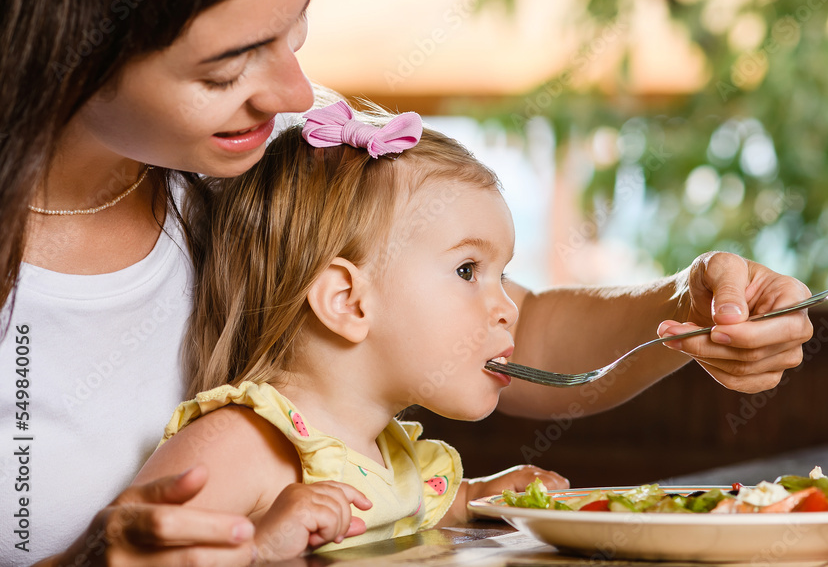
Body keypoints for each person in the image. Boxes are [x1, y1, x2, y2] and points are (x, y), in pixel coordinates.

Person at [0, 0, 812, 565]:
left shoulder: (245, 170)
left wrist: (689, 304)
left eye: (297, 29)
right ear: (69, 42)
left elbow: (511, 332)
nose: (294, 92)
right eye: (227, 68)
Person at [133, 102, 570, 561]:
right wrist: (258, 549)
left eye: (501, 277)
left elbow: (408, 514)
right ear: (347, 300)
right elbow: (132, 555)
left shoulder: (388, 456)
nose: (507, 308)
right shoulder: (239, 444)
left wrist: (479, 496)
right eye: (467, 270)